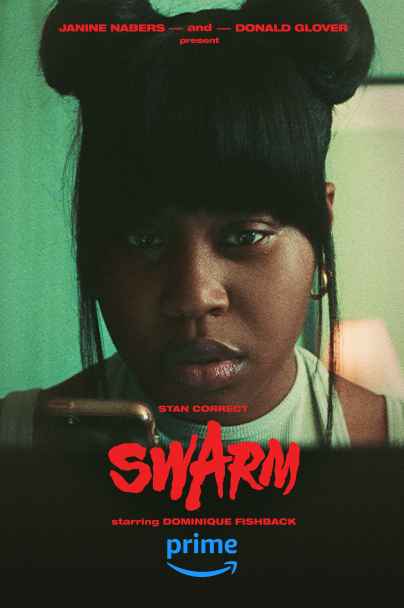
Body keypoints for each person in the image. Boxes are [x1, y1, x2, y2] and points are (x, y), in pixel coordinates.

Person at [1, 0, 403, 451]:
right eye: (145, 239)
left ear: (321, 224)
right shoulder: (15, 444)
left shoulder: (391, 444)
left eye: (246, 236)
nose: (194, 298)